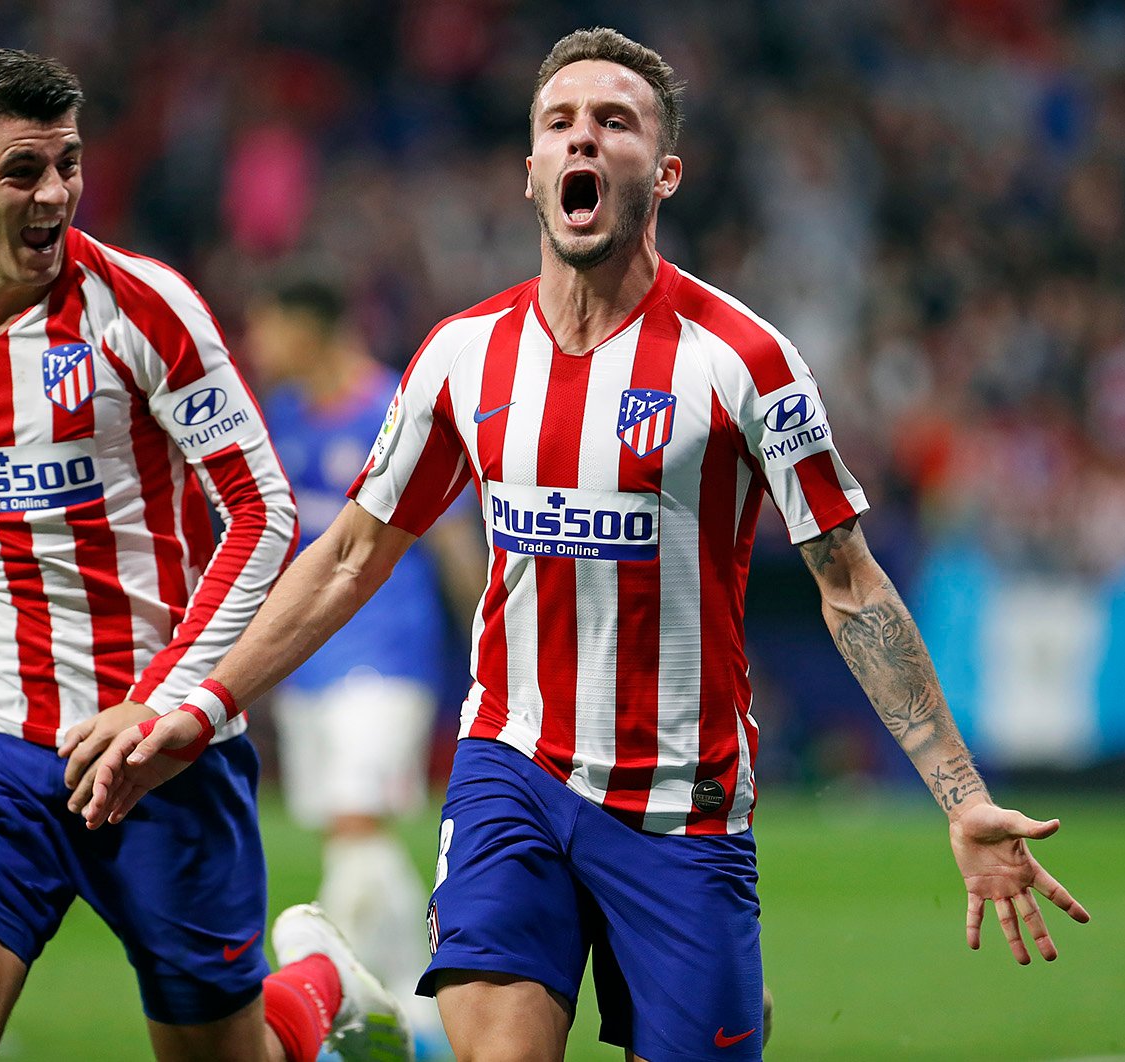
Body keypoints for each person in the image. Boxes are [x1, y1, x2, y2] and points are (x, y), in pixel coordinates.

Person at [84, 27, 1091, 1062]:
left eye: (615, 122)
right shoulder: (461, 357)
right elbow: (349, 555)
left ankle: (376, 1022)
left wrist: (964, 801)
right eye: (560, 123)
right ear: (531, 173)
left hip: (681, 807)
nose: (584, 140)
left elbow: (850, 583)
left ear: (663, 172)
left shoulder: (744, 361)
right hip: (511, 769)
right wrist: (198, 708)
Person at [0, 47, 411, 1062]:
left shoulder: (142, 310)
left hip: (158, 748)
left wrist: (173, 705)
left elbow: (262, 514)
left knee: (220, 1054)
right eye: (22, 170)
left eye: (69, 164)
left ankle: (320, 997)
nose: (54, 194)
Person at [246, 279, 487, 1058]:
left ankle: (394, 1013)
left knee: (356, 821)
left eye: (268, 325)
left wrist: (492, 641)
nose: (257, 345)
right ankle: (407, 1007)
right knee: (348, 834)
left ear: (310, 326)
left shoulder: (395, 409)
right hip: (307, 668)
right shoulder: (282, 420)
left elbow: (452, 541)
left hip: (385, 661)